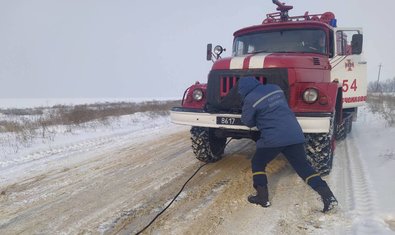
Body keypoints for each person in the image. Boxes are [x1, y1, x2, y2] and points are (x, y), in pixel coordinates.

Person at [237, 77, 338, 213]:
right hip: (294, 135)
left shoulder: (250, 99)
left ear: (243, 90)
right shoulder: (275, 89)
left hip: (273, 139)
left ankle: (262, 197)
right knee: (303, 168)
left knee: (258, 163)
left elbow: (248, 121)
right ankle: (328, 197)